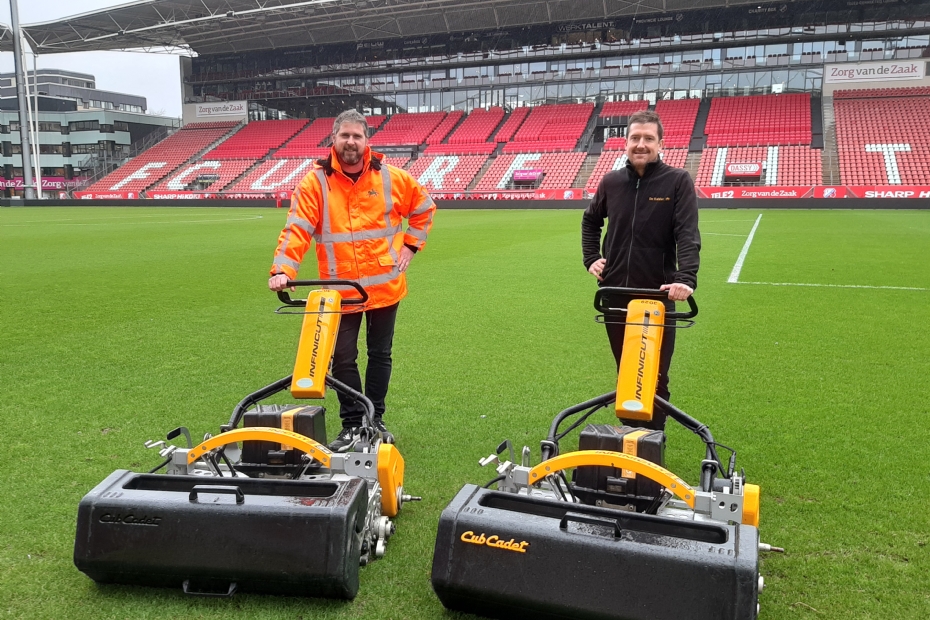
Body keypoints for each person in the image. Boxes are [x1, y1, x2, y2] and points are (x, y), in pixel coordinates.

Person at [269, 110, 436, 451]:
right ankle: (352, 423)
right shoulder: (315, 183)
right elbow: (297, 227)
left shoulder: (391, 178)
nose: (350, 142)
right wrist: (283, 270)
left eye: (357, 136)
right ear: (334, 139)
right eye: (344, 135)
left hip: (385, 286)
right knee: (342, 358)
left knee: (380, 353)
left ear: (366, 141)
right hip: (340, 289)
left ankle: (375, 419)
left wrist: (410, 246)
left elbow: (424, 208)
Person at [581, 109, 700, 430]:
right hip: (615, 294)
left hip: (656, 295)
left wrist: (685, 278)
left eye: (648, 138)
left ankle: (651, 442)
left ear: (661, 144)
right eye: (635, 138)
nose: (641, 144)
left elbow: (687, 233)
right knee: (627, 372)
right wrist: (591, 258)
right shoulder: (611, 182)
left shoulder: (677, 181)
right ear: (626, 143)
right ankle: (628, 438)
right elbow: (590, 221)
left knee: (655, 378)